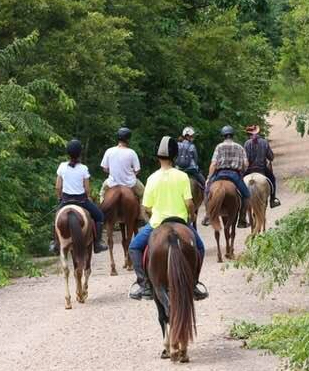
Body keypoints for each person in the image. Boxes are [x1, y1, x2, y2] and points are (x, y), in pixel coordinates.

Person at [128, 136, 208, 301]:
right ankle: (193, 284)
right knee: (200, 248)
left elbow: (146, 207)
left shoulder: (151, 178)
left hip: (157, 223)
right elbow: (189, 202)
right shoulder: (182, 176)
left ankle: (145, 286)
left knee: (134, 248)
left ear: (157, 156)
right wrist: (191, 215)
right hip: (180, 221)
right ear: (175, 156)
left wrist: (151, 217)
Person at [50, 139, 108, 254]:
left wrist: (59, 198)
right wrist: (88, 197)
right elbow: (87, 189)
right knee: (100, 216)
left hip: (66, 200)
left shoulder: (62, 166)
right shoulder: (83, 168)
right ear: (79, 153)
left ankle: (55, 243)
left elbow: (58, 187)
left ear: (68, 153)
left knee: (55, 218)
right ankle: (97, 243)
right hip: (81, 201)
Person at [203, 125, 251, 228]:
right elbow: (246, 163)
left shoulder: (219, 147)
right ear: (232, 135)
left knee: (207, 191)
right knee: (247, 195)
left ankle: (208, 215)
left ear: (223, 135)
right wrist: (242, 171)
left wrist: (209, 177)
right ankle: (242, 219)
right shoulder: (239, 147)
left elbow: (214, 164)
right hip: (235, 175)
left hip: (220, 174)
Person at [100, 127, 146, 206]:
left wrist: (112, 171)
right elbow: (137, 170)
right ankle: (142, 215)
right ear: (128, 139)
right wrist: (130, 174)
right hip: (130, 183)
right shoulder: (132, 153)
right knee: (144, 194)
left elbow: (104, 168)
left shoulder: (109, 151)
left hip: (112, 183)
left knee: (102, 193)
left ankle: (103, 212)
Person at [244, 125, 281, 208]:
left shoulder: (247, 143)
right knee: (272, 179)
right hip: (262, 169)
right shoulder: (264, 142)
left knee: (239, 182)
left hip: (249, 170)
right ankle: (273, 199)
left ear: (248, 134)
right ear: (258, 132)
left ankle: (241, 202)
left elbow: (245, 158)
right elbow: (271, 157)